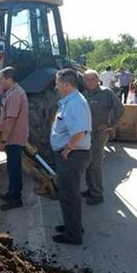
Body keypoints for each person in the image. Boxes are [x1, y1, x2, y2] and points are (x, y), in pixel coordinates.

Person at [50, 68, 92, 245]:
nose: (56, 86)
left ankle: (73, 235)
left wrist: (68, 149)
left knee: (69, 195)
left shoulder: (75, 103)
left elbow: (79, 132)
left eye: (57, 82)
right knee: (70, 194)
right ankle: (73, 226)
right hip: (73, 154)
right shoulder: (71, 101)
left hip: (73, 155)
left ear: (66, 84)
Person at [82, 70, 124, 205]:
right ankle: (90, 188)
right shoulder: (84, 94)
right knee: (87, 162)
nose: (89, 82)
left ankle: (97, 194)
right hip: (87, 133)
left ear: (97, 79)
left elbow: (120, 108)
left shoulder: (106, 93)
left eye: (92, 79)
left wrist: (110, 125)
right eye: (86, 79)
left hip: (100, 134)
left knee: (95, 164)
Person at [0, 67, 29, 211]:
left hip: (14, 138)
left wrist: (3, 140)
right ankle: (11, 192)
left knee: (15, 169)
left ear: (9, 79)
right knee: (11, 168)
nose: (0, 82)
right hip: (12, 137)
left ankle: (16, 199)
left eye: (1, 79)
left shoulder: (15, 94)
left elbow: (11, 119)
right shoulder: (10, 92)